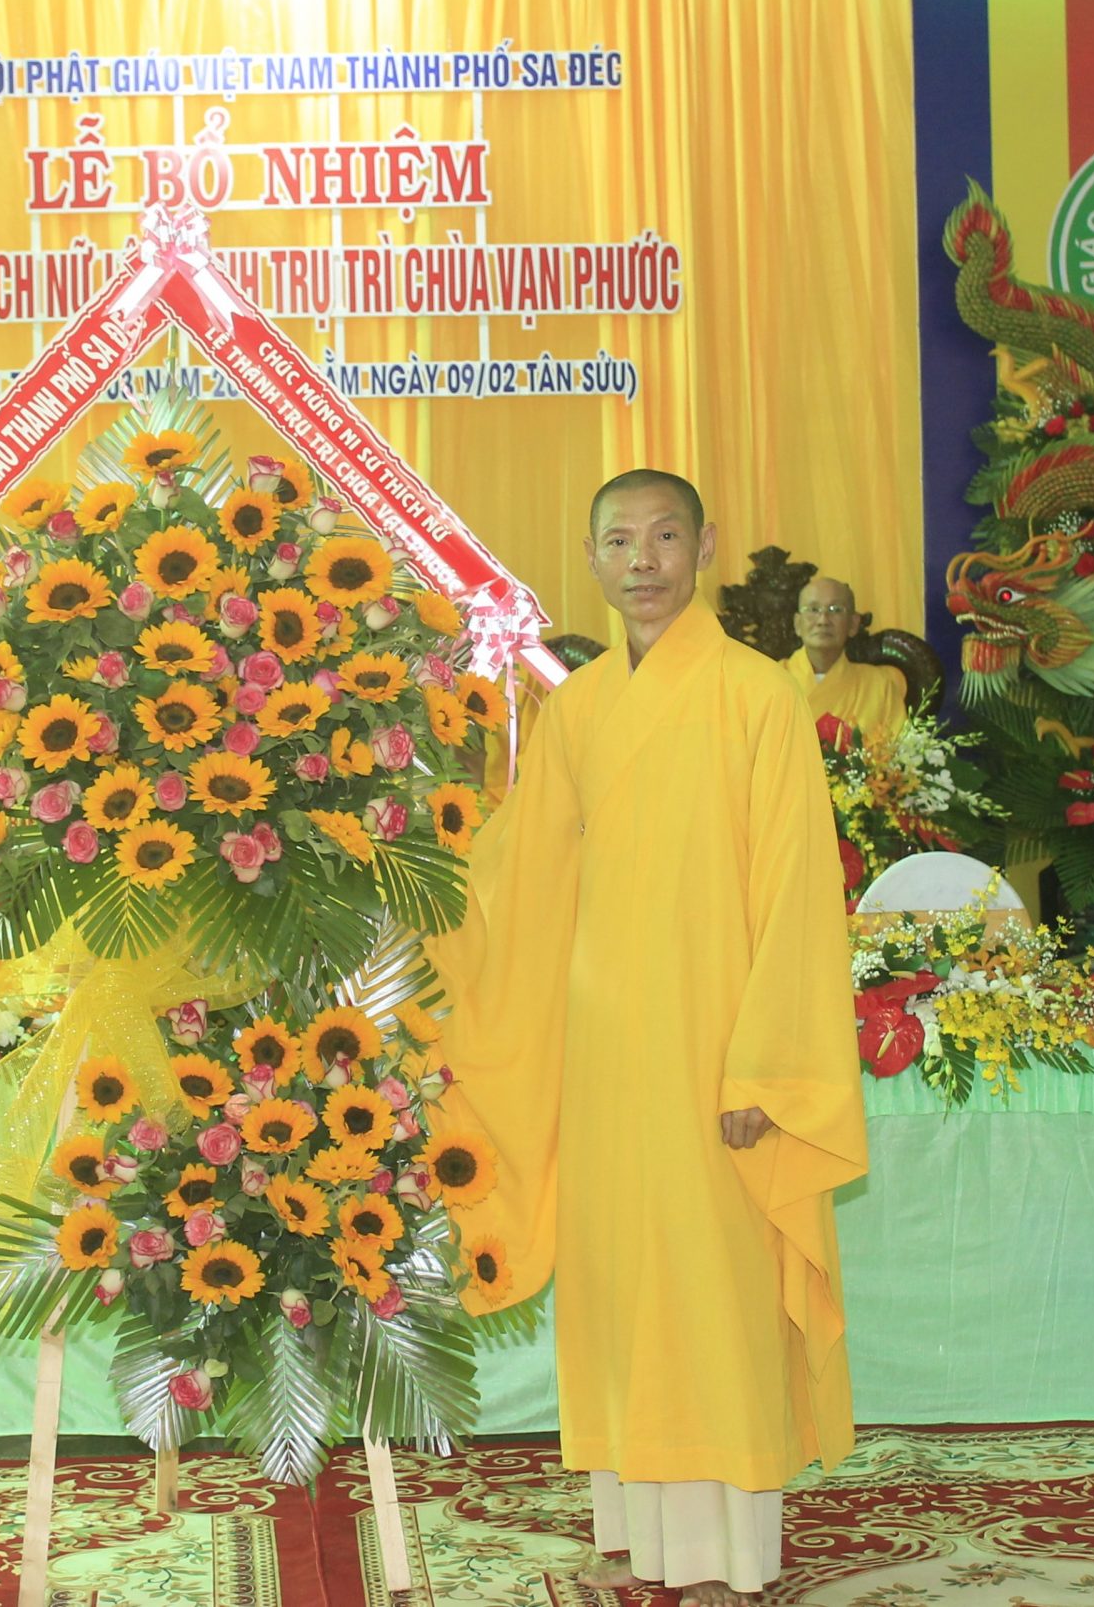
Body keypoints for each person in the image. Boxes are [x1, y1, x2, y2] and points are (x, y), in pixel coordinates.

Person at [431, 471, 867, 1606]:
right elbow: (520, 878)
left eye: (666, 536)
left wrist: (768, 1063)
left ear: (705, 547)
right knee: (622, 1283)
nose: (643, 561)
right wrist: (416, 891)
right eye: (619, 541)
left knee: (711, 1287)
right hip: (601, 1049)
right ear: (589, 558)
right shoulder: (577, 708)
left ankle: (728, 1547)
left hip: (716, 1045)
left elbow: (796, 889)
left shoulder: (757, 694)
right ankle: (635, 1523)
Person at [782, 576, 907, 748]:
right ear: (797, 623)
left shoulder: (879, 685)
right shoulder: (770, 680)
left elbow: (900, 753)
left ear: (853, 624)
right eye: (813, 609)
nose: (823, 620)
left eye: (835, 610)